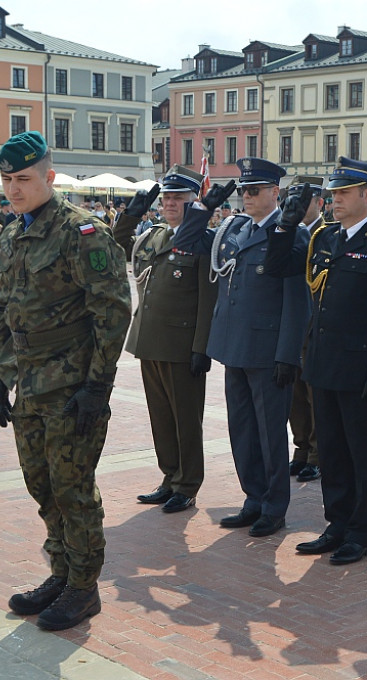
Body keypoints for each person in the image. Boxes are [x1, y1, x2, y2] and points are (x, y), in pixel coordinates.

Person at [0, 131, 131, 631]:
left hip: (71, 386)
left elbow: (112, 312)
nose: (13, 188)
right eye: (7, 180)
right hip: (28, 383)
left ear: (49, 176)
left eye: (23, 179)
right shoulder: (13, 234)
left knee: (73, 488)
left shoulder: (82, 232)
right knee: (42, 485)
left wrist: (98, 387)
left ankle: (83, 588)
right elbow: (4, 308)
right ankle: (61, 573)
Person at [267, 159, 367, 565]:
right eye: (332, 195)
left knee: (363, 455)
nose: (336, 201)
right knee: (330, 451)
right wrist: (284, 225)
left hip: (362, 371)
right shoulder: (325, 238)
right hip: (324, 364)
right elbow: (279, 267)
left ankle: (362, 531)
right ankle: (337, 523)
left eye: (344, 194)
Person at [172, 157, 311, 539]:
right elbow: (184, 243)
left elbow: (297, 301)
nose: (247, 197)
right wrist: (204, 207)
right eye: (243, 190)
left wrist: (287, 353)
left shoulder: (291, 235)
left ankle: (274, 506)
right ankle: (253, 498)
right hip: (235, 346)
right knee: (242, 429)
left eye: (254, 190)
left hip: (267, 352)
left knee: (270, 432)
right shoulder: (233, 228)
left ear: (274, 193)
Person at [113, 166, 217, 514]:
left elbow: (207, 298)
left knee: (186, 420)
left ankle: (187, 485)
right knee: (161, 417)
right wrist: (130, 216)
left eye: (179, 198)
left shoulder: (204, 241)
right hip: (150, 340)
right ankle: (170, 476)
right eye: (167, 198)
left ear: (194, 201)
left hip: (181, 345)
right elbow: (116, 248)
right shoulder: (153, 235)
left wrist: (202, 348)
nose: (171, 204)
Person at [284, 176, 325, 484]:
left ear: (319, 203)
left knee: (315, 397)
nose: (296, 205)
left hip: (317, 327)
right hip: (292, 325)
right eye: (293, 198)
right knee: (295, 395)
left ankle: (316, 454)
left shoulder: (328, 234)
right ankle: (300, 450)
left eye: (304, 200)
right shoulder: (289, 232)